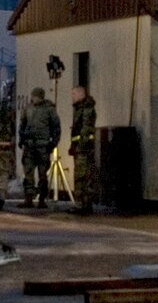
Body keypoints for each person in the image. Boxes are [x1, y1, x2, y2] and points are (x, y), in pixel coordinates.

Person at [18, 87, 61, 206]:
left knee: (43, 174)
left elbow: (56, 127)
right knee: (28, 173)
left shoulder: (49, 109)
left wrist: (53, 143)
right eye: (33, 96)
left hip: (43, 146)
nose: (34, 98)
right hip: (30, 145)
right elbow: (22, 125)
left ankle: (42, 198)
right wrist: (22, 139)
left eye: (36, 96)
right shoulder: (28, 108)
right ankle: (29, 199)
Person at [68, 84, 100, 214]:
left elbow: (85, 129)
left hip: (83, 149)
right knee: (85, 176)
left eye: (74, 94)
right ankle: (84, 204)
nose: (72, 97)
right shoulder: (81, 108)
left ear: (81, 94)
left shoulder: (86, 109)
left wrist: (79, 146)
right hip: (81, 147)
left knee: (81, 177)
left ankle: (81, 204)